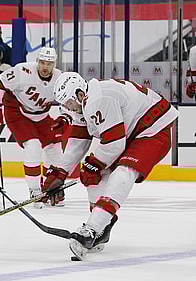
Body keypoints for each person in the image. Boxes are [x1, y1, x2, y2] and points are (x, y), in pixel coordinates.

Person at [43, 72, 179, 260]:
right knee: (90, 174)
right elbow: (78, 140)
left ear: (79, 94)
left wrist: (95, 163)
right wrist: (60, 172)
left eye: (68, 103)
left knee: (123, 173)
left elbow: (115, 143)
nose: (68, 108)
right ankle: (101, 229)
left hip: (154, 128)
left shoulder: (99, 98)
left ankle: (92, 230)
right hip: (134, 131)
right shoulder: (85, 102)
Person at [0, 47, 68, 208]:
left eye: (50, 63)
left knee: (56, 150)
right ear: (37, 61)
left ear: (55, 64)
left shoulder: (61, 78)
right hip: (16, 111)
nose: (45, 67)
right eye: (43, 63)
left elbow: (68, 98)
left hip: (41, 116)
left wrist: (64, 116)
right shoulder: (22, 71)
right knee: (33, 146)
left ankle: (51, 186)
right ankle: (34, 190)